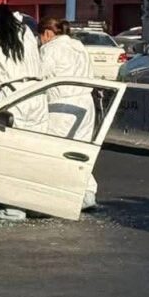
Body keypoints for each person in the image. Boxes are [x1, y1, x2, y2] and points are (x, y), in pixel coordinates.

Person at [39, 17, 98, 207]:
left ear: (47, 33)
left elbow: (40, 76)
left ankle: (55, 194)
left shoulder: (50, 49)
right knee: (80, 150)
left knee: (55, 149)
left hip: (61, 105)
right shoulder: (79, 46)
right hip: (86, 103)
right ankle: (87, 193)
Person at [0, 4, 48, 131]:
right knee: (37, 142)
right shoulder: (26, 32)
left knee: (11, 142)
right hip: (37, 93)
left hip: (12, 95)